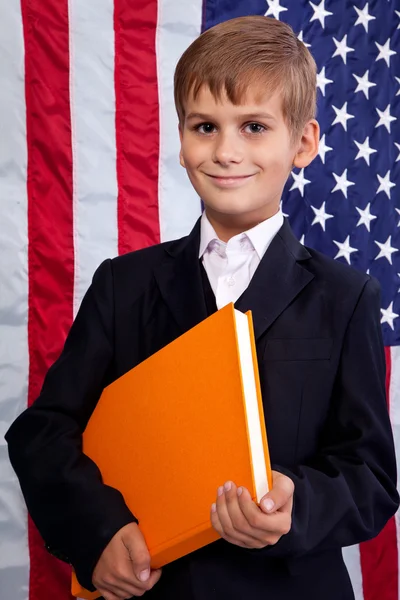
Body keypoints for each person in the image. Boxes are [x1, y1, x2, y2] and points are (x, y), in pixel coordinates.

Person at [5, 15, 399, 600]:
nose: (226, 151)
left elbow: (369, 475)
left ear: (304, 143)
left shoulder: (346, 299)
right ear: (182, 139)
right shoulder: (123, 286)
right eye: (205, 126)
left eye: (255, 127)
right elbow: (43, 432)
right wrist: (99, 532)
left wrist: (298, 503)